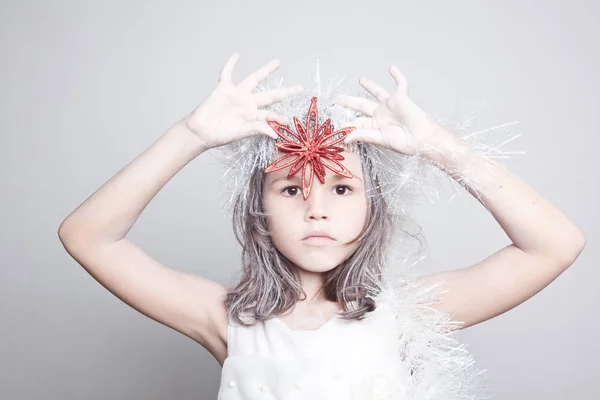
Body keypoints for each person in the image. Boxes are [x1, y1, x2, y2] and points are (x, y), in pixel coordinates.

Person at [58, 52, 586, 400]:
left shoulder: (405, 316)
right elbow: (87, 235)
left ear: (371, 207)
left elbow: (554, 245)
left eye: (341, 188)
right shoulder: (229, 322)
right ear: (258, 213)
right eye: (291, 190)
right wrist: (191, 134)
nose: (317, 210)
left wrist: (440, 148)